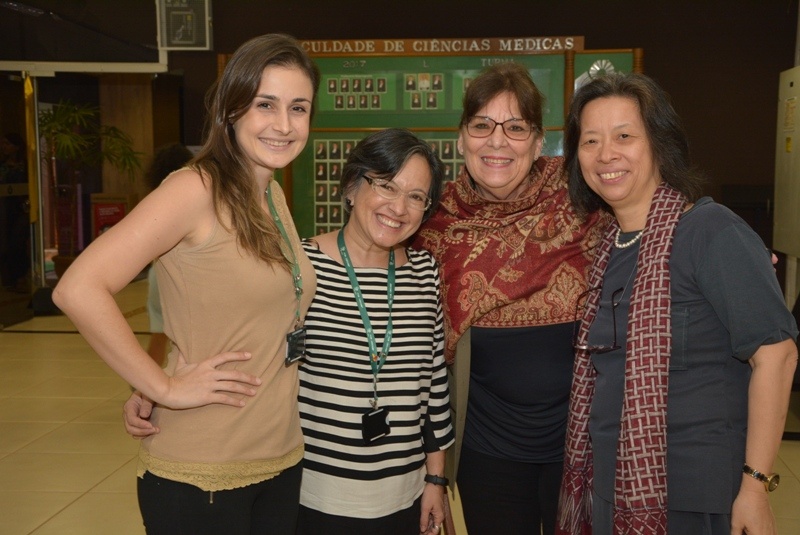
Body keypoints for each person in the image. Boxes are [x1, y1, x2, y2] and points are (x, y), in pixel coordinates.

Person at [52, 33, 320, 535]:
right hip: (204, 472)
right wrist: (162, 386)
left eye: (299, 107)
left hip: (280, 457)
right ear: (231, 109)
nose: (284, 125)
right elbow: (78, 287)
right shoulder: (194, 189)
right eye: (266, 104)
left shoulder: (272, 195)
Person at [125, 129, 455, 534]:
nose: (399, 207)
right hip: (311, 493)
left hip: (402, 495)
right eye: (386, 186)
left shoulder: (425, 273)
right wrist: (156, 386)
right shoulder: (301, 268)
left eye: (417, 197)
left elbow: (434, 383)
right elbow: (246, 342)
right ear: (351, 187)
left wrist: (435, 480)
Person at [557, 73, 798, 535]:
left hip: (699, 496)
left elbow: (777, 355)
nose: (606, 154)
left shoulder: (710, 231)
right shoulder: (609, 247)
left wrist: (754, 487)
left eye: (624, 136)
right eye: (590, 140)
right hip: (614, 488)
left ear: (659, 145)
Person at [413, 62, 607, 535]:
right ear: (461, 138)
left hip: (586, 449)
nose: (497, 141)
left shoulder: (584, 198)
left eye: (515, 127)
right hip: (487, 454)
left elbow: (654, 212)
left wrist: (712, 246)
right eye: (482, 125)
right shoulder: (432, 220)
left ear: (539, 141)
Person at [144, 143, 194, 367]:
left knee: (158, 333)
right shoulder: (191, 200)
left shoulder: (154, 201)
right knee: (187, 339)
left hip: (157, 273)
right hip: (182, 273)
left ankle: (146, 387)